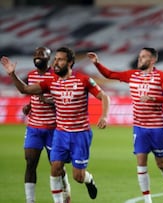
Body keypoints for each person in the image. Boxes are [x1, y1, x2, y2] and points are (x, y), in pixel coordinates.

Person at [1, 46, 110, 202]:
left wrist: (104, 116)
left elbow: (105, 96)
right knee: (55, 168)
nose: (56, 62)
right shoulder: (50, 81)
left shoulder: (83, 80)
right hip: (60, 133)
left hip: (80, 134)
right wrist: (12, 74)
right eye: (56, 59)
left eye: (60, 59)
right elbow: (25, 89)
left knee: (78, 176)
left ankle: (88, 179)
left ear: (70, 62)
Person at [87, 47, 163, 203]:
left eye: (144, 57)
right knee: (141, 161)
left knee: (161, 164)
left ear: (153, 60)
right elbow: (110, 74)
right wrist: (97, 63)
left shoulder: (161, 76)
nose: (140, 59)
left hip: (156, 127)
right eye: (140, 56)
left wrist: (154, 99)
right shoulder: (132, 75)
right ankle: (148, 200)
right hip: (139, 127)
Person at [20, 47, 71, 203]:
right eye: (35, 55)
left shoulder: (57, 76)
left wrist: (49, 101)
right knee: (30, 163)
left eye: (41, 55)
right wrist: (29, 106)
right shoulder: (31, 75)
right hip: (34, 127)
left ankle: (66, 189)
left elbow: (66, 100)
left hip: (53, 129)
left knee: (56, 167)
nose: (37, 57)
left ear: (49, 59)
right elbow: (33, 95)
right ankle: (30, 200)